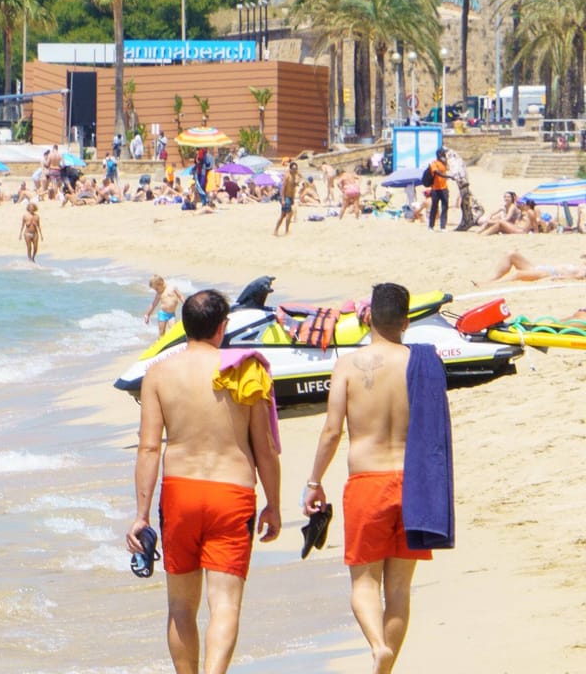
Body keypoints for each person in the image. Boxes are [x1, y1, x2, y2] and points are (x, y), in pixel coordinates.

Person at [126, 290, 282, 674]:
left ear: (183, 326)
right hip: (233, 493)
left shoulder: (158, 373)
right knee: (225, 604)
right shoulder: (246, 369)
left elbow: (148, 449)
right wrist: (274, 505)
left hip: (180, 493)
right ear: (222, 327)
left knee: (181, 606)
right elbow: (264, 448)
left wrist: (141, 514)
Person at [303, 283, 431, 673]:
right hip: (412, 484)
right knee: (399, 588)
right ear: (406, 322)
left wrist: (314, 482)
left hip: (367, 483)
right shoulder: (420, 364)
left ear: (369, 317)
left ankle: (378, 647)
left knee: (363, 582)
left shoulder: (347, 365)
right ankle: (385, 668)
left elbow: (331, 431)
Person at [477, 250, 586, 283]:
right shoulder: (582, 264)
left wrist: (559, 278)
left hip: (548, 273)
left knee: (518, 274)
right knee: (512, 254)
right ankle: (493, 279)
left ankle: (492, 284)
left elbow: (579, 277)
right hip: (539, 268)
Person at [424, 150, 450, 232]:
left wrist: (446, 161)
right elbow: (437, 173)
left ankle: (443, 227)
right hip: (435, 189)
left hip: (444, 188)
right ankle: (431, 226)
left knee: (445, 207)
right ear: (439, 155)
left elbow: (448, 169)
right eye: (443, 154)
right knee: (434, 208)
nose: (445, 155)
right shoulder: (433, 164)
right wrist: (448, 176)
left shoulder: (444, 163)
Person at [274, 160, 298, 238]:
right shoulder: (287, 176)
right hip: (286, 197)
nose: (295, 170)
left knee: (285, 215)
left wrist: (293, 199)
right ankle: (284, 230)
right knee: (287, 214)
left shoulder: (294, 176)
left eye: (296, 168)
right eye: (293, 168)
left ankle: (277, 230)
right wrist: (283, 199)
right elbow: (283, 188)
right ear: (290, 169)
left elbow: (293, 189)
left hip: (290, 198)